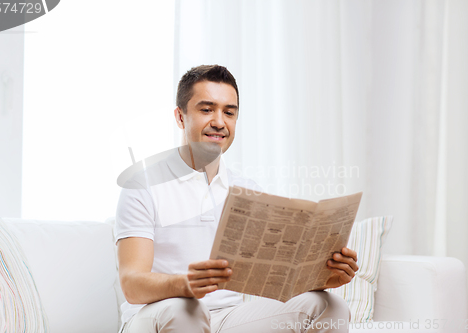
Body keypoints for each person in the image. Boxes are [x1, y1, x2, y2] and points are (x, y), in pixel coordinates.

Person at [114, 65, 359, 333]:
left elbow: (270, 278)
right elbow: (132, 285)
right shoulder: (143, 184)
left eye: (229, 112)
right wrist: (184, 285)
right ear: (180, 117)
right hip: (157, 315)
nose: (219, 121)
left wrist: (323, 277)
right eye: (206, 110)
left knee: (328, 306)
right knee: (186, 309)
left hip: (227, 318)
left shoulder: (246, 189)